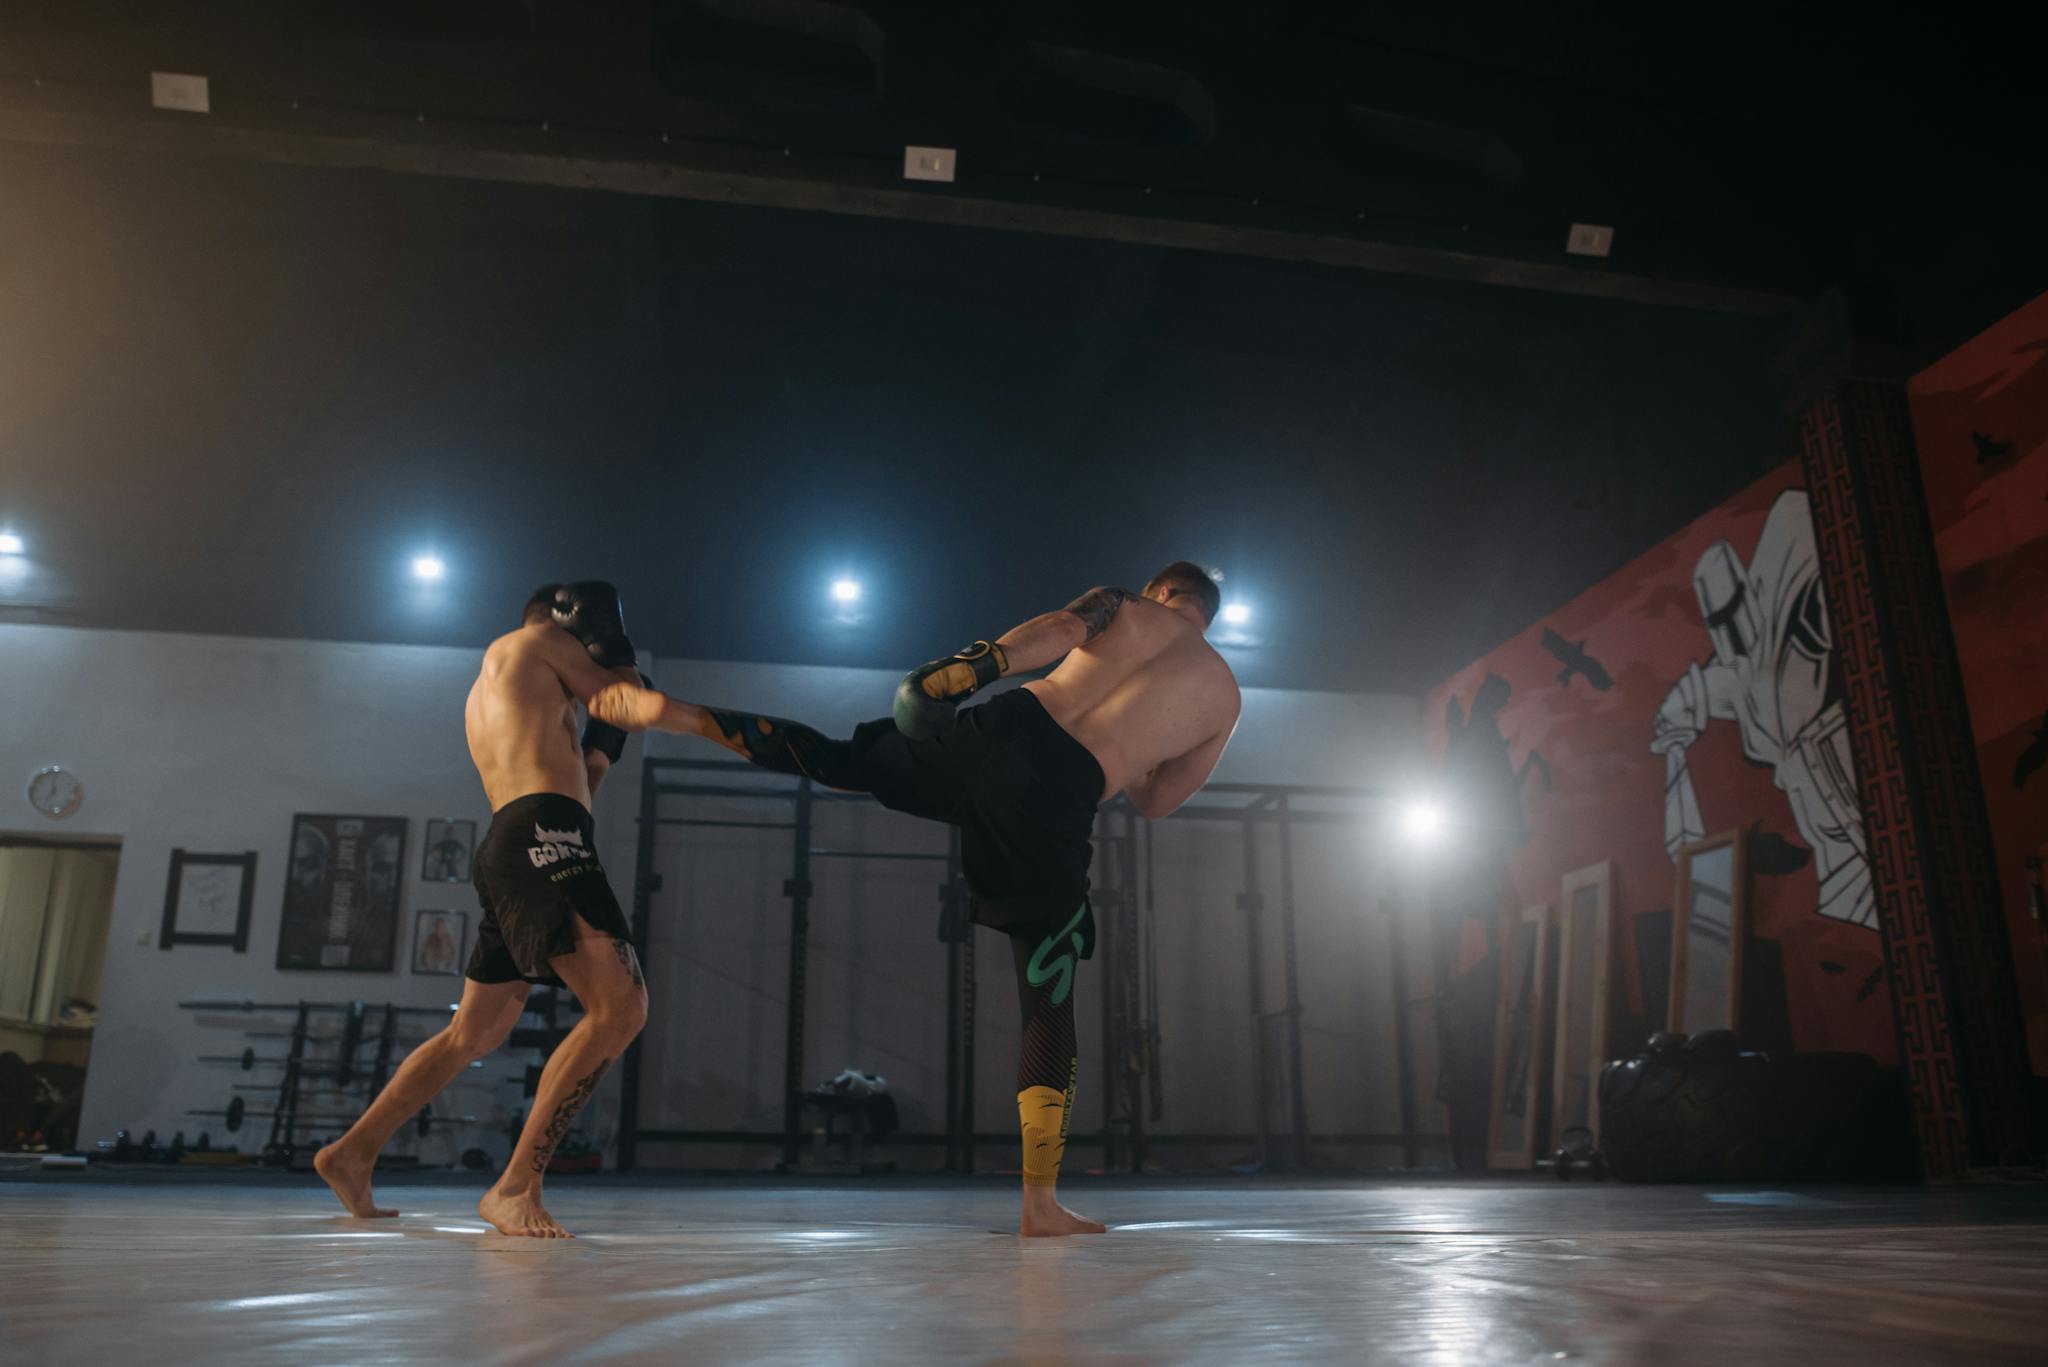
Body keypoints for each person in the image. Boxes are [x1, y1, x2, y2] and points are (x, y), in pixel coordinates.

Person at [662, 561, 1241, 1235]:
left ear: (1159, 592)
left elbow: (1058, 629)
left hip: (1010, 725)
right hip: (1061, 794)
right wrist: (1144, 745)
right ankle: (1039, 1204)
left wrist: (979, 664)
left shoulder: (1126, 607)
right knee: (1047, 1000)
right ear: (1207, 611)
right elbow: (1157, 802)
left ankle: (683, 714)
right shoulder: (1223, 697)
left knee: (842, 760)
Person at [316, 581, 664, 1237]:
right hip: (545, 836)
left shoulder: (510, 680)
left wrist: (603, 741)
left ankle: (352, 1151)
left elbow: (587, 774)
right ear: (564, 624)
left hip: (519, 838)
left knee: (473, 1034)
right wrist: (622, 667)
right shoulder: (535, 642)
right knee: (622, 1005)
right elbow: (626, 699)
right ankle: (515, 1186)